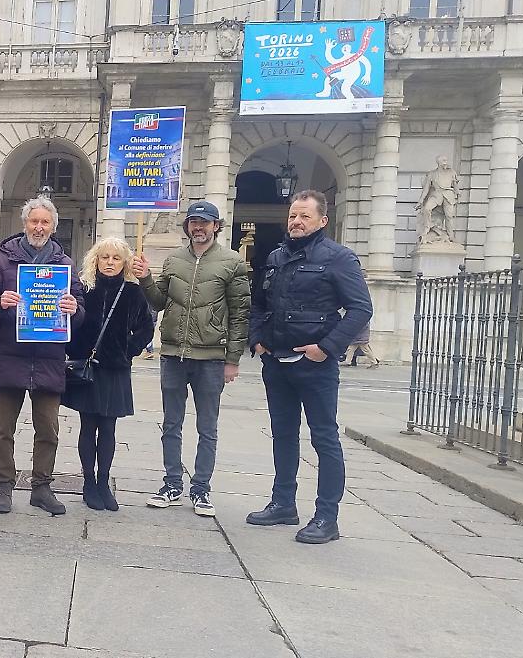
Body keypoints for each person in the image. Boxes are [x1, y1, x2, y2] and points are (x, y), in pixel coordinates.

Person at [247, 189, 373, 544]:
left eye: (304, 216)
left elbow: (361, 308)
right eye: (292, 216)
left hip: (315, 365)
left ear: (322, 220)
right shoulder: (275, 256)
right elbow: (259, 304)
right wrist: (256, 338)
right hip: (276, 361)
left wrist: (327, 348)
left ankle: (326, 517)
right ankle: (283, 503)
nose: (296, 222)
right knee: (283, 434)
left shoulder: (339, 258)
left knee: (324, 438)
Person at [135, 201, 250, 518]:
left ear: (216, 226)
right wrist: (146, 278)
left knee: (207, 427)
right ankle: (172, 484)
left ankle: (201, 489)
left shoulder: (232, 263)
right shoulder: (174, 260)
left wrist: (233, 359)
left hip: (211, 357)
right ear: (187, 227)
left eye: (204, 222)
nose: (198, 228)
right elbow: (158, 302)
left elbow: (240, 314)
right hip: (173, 352)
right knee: (170, 424)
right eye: (193, 222)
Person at [0, 196, 85, 516]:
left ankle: (41, 486)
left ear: (52, 227)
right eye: (33, 221)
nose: (38, 227)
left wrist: (73, 308)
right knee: (3, 429)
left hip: (49, 359)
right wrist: (1, 303)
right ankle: (4, 486)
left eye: (45, 222)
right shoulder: (3, 260)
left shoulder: (64, 265)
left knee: (48, 428)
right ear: (24, 224)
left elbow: (80, 314)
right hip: (10, 356)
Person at [62, 238, 153, 511]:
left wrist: (128, 351)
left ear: (124, 262)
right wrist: (75, 349)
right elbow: (71, 324)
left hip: (115, 369)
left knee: (109, 427)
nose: (110, 263)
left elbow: (146, 329)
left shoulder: (133, 292)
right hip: (88, 368)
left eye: (115, 258)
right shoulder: (86, 289)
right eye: (105, 257)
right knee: (88, 426)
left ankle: (103, 481)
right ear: (96, 260)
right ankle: (88, 482)